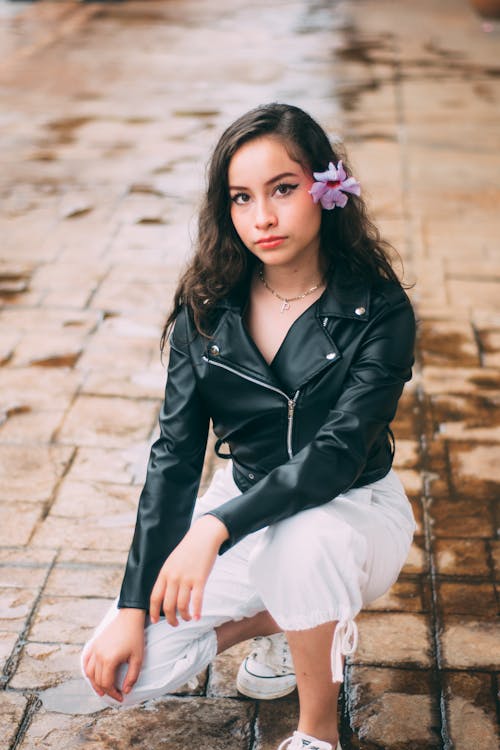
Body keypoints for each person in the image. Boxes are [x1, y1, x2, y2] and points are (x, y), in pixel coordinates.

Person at [81, 103, 416, 750]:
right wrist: (131, 607)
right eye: (241, 197)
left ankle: (318, 732)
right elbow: (174, 458)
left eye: (283, 189)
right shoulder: (207, 312)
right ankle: (284, 621)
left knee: (304, 545)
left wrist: (213, 529)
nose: (261, 217)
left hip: (353, 507)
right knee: (121, 670)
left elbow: (338, 453)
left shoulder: (379, 309)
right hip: (244, 496)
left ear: (326, 189)